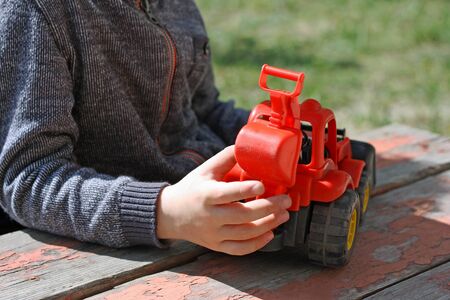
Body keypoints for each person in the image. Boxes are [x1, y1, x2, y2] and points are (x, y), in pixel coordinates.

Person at [0, 0, 291, 255]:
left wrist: (272, 131)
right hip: (123, 249)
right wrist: (164, 212)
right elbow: (29, 180)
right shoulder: (35, 10)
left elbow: (202, 109)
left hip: (222, 218)